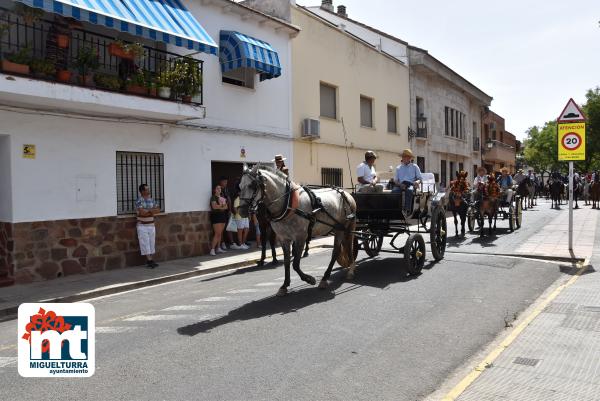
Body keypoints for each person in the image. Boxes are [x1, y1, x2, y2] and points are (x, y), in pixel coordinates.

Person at [135, 184, 161, 268]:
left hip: (151, 225)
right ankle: (149, 260)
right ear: (142, 191)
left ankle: (151, 260)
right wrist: (151, 211)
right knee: (145, 243)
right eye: (147, 189)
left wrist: (148, 211)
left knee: (151, 242)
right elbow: (142, 212)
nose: (149, 190)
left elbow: (158, 210)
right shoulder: (139, 200)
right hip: (142, 225)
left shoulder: (152, 200)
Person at [392, 149, 422, 215]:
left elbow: (420, 178)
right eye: (403, 156)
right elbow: (395, 180)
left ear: (409, 158)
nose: (404, 158)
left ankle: (407, 210)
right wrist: (400, 184)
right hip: (400, 184)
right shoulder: (398, 168)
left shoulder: (415, 167)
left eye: (405, 156)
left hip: (411, 184)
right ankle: (396, 208)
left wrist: (417, 182)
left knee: (409, 191)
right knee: (394, 192)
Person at [209, 184, 229, 256]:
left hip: (222, 216)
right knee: (217, 233)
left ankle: (219, 247)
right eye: (217, 188)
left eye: (220, 188)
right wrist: (221, 206)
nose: (219, 189)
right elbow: (214, 207)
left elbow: (226, 207)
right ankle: (212, 249)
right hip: (216, 216)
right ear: (215, 190)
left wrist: (220, 206)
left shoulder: (222, 198)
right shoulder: (213, 197)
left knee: (220, 233)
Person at [218, 176, 234, 250]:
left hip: (227, 211)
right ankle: (222, 243)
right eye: (224, 182)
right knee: (221, 229)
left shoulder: (226, 189)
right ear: (221, 182)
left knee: (229, 226)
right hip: (221, 212)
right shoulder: (218, 190)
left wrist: (230, 210)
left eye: (226, 182)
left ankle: (231, 243)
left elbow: (229, 199)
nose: (226, 183)